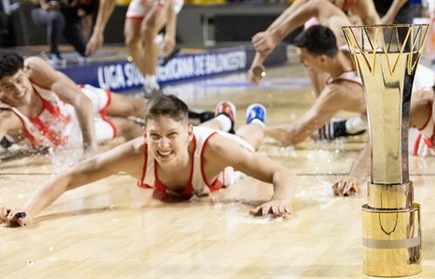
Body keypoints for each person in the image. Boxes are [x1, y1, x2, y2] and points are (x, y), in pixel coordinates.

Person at [0, 94, 294, 226]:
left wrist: (280, 199)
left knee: (249, 139)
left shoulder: (215, 151)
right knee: (206, 133)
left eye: (170, 136)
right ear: (145, 133)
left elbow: (281, 172)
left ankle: (251, 118)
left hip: (218, 168)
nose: (162, 146)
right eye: (154, 136)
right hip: (197, 138)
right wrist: (29, 210)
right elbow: (71, 176)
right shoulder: (135, 153)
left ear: (188, 133)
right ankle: (223, 117)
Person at [247, 0, 380, 84]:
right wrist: (256, 64)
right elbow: (282, 23)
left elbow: (374, 28)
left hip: (354, 33)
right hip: (325, 28)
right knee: (309, 50)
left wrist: (376, 62)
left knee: (355, 29)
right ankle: (322, 95)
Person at [0, 52, 146, 155]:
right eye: (8, 86)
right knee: (126, 126)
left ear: (25, 72)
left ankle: (168, 116)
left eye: (19, 80)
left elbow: (81, 101)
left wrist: (90, 148)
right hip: (68, 134)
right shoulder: (5, 115)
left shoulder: (34, 68)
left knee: (134, 106)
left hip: (72, 102)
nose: (18, 90)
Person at [31, 0, 100, 62]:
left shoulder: (93, 1)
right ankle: (53, 53)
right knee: (57, 17)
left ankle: (82, 51)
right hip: (42, 13)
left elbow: (87, 19)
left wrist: (87, 40)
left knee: (86, 51)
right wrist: (44, 6)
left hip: (67, 21)